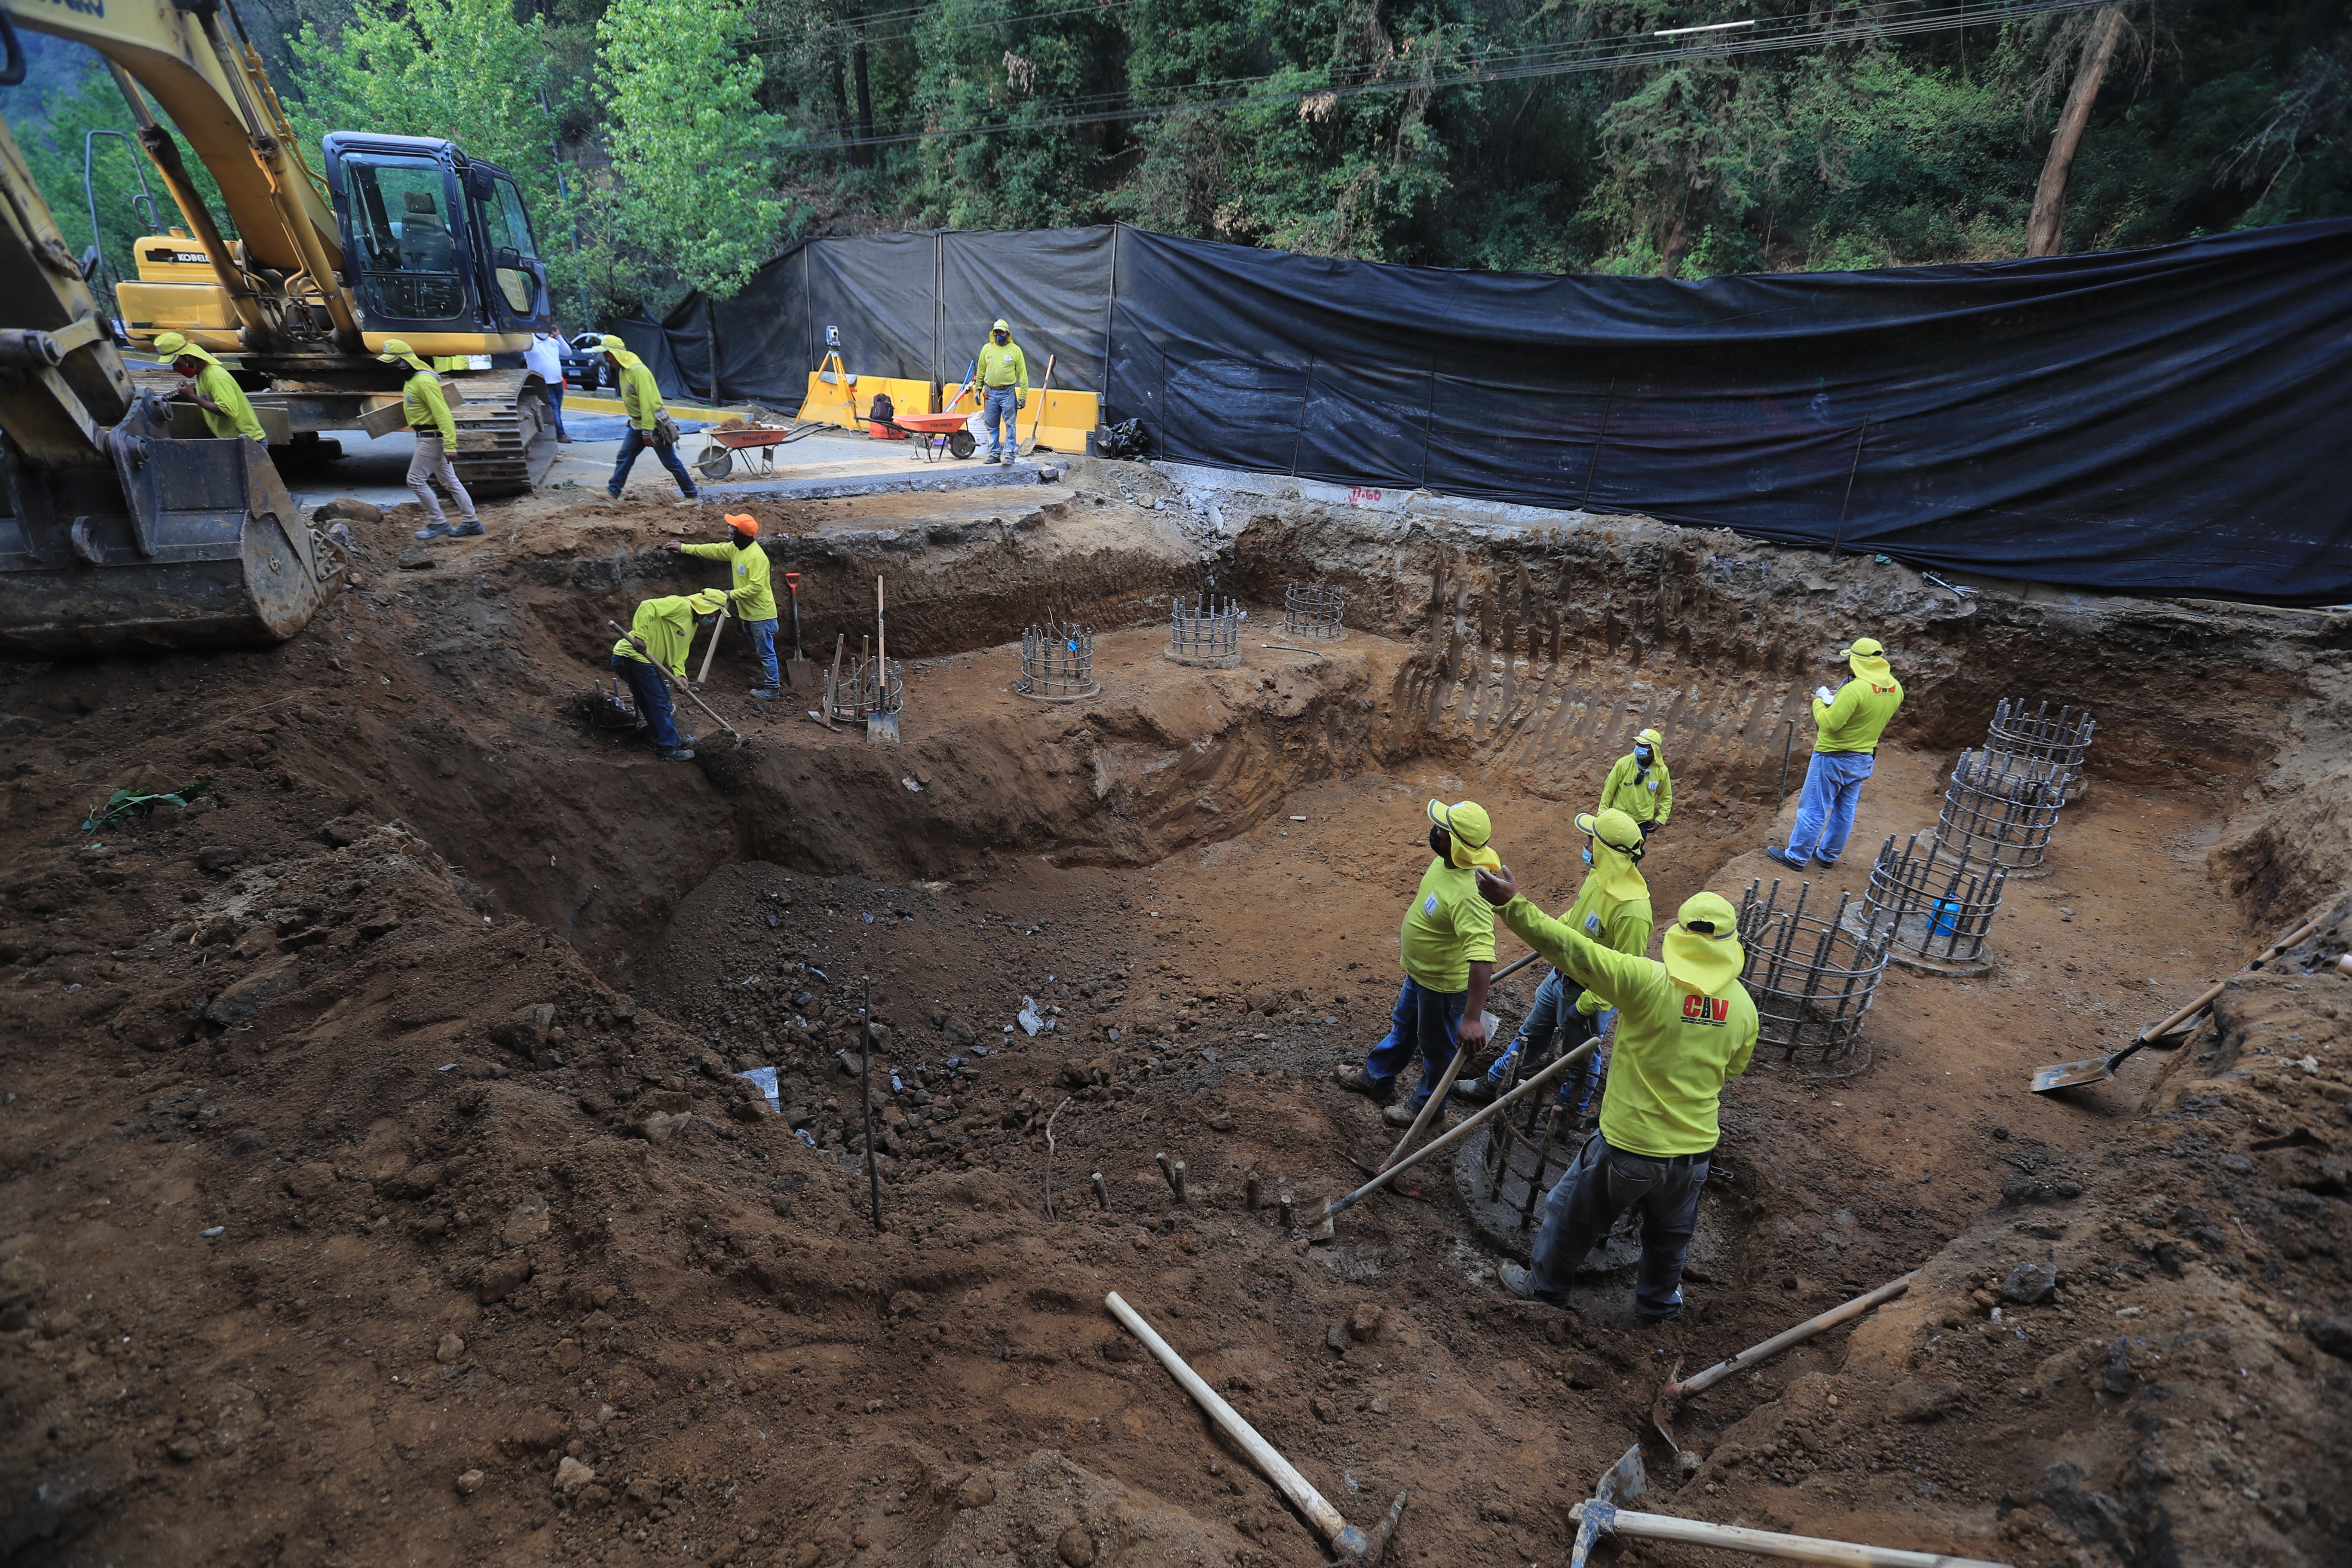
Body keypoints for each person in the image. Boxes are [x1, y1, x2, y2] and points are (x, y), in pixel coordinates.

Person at [1473, 868, 1758, 1322]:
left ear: (1681, 936)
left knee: (1571, 1215)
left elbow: (1572, 950)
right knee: (1669, 1237)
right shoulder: (1745, 1007)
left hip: (1630, 1146)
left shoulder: (1646, 982)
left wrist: (1511, 904)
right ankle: (1659, 1309)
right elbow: (1735, 1067)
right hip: (1695, 1153)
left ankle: (1546, 1293)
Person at [1455, 808, 1654, 1117]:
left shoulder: (1633, 912)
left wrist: (1586, 1007)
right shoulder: (1597, 878)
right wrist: (1544, 938)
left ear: (1607, 851)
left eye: (1591, 842)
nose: (1586, 847)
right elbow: (1571, 922)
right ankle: (1491, 1083)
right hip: (1560, 978)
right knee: (1529, 1036)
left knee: (1580, 1059)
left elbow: (1626, 975)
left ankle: (1570, 1112)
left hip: (1587, 996)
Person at [1333, 800, 1497, 1129]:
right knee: (1404, 1027)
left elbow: (1482, 958)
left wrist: (1472, 1018)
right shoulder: (1446, 863)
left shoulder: (1471, 894)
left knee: (1438, 1051)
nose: (1434, 833)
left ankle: (1429, 1108)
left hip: (1444, 988)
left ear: (1458, 843)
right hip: (1420, 975)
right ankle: (1378, 1078)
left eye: (1442, 830)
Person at [1767, 637, 1904, 870]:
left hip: (1833, 758)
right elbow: (1865, 713)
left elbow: (1829, 724)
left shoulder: (1856, 690)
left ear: (1855, 662)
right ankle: (1828, 855)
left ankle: (1797, 856)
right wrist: (1840, 698)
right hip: (1863, 758)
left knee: (1814, 807)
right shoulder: (1894, 687)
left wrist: (1819, 702)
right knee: (1845, 809)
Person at [375, 338, 481, 542]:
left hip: (432, 439)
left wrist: (451, 444)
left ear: (406, 360)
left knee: (415, 480)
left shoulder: (424, 381)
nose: (393, 366)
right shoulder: (414, 380)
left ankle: (438, 522)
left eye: (395, 362)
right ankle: (472, 522)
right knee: (450, 481)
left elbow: (444, 414)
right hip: (429, 437)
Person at [667, 512, 779, 698]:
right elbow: (715, 550)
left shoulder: (756, 557)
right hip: (748, 614)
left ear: (741, 533)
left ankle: (773, 689)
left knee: (766, 652)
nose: (729, 530)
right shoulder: (737, 549)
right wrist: (685, 548)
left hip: (762, 615)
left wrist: (732, 594)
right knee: (762, 650)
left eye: (733, 528)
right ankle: (769, 681)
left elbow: (757, 587)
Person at [611, 589, 725, 761]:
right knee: (659, 702)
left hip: (645, 663)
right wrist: (640, 636)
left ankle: (670, 740)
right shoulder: (681, 605)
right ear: (708, 607)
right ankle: (667, 747)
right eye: (716, 613)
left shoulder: (693, 624)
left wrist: (680, 675)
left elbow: (682, 651)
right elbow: (647, 606)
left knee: (657, 702)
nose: (714, 618)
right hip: (633, 658)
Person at [603, 334, 701, 504]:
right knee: (624, 456)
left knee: (670, 462)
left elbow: (647, 403)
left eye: (607, 355)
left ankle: (691, 496)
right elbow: (634, 400)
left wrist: (648, 430)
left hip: (653, 425)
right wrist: (634, 418)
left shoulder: (638, 371)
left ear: (615, 353)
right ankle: (613, 492)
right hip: (638, 424)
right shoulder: (624, 371)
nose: (606, 359)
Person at [150, 331, 264, 441]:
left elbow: (228, 411)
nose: (175, 368)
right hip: (236, 440)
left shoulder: (215, 377)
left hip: (249, 442)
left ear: (190, 356)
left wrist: (192, 397)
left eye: (177, 364)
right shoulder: (203, 375)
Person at [1598, 727, 1672, 836]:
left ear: (1654, 749)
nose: (1639, 747)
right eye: (1638, 744)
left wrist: (1660, 819)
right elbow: (1609, 790)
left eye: (1644, 745)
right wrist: (1602, 814)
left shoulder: (1662, 771)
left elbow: (1666, 797)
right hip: (1618, 818)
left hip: (1642, 823)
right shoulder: (1623, 764)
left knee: (1635, 852)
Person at [974, 318, 1029, 465]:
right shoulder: (987, 349)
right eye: (996, 332)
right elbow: (981, 370)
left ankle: (1010, 454)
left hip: (1008, 393)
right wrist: (978, 389)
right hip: (990, 393)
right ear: (993, 333)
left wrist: (1023, 395)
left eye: (1002, 333)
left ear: (1007, 334)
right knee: (991, 425)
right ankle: (994, 454)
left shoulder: (1015, 350)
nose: (999, 335)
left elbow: (1023, 374)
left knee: (1010, 424)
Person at [525, 326, 571, 444]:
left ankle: (554, 430)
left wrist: (558, 336)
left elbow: (568, 352)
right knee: (554, 407)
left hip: (557, 382)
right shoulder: (530, 343)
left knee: (557, 409)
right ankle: (561, 434)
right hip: (543, 384)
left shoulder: (554, 342)